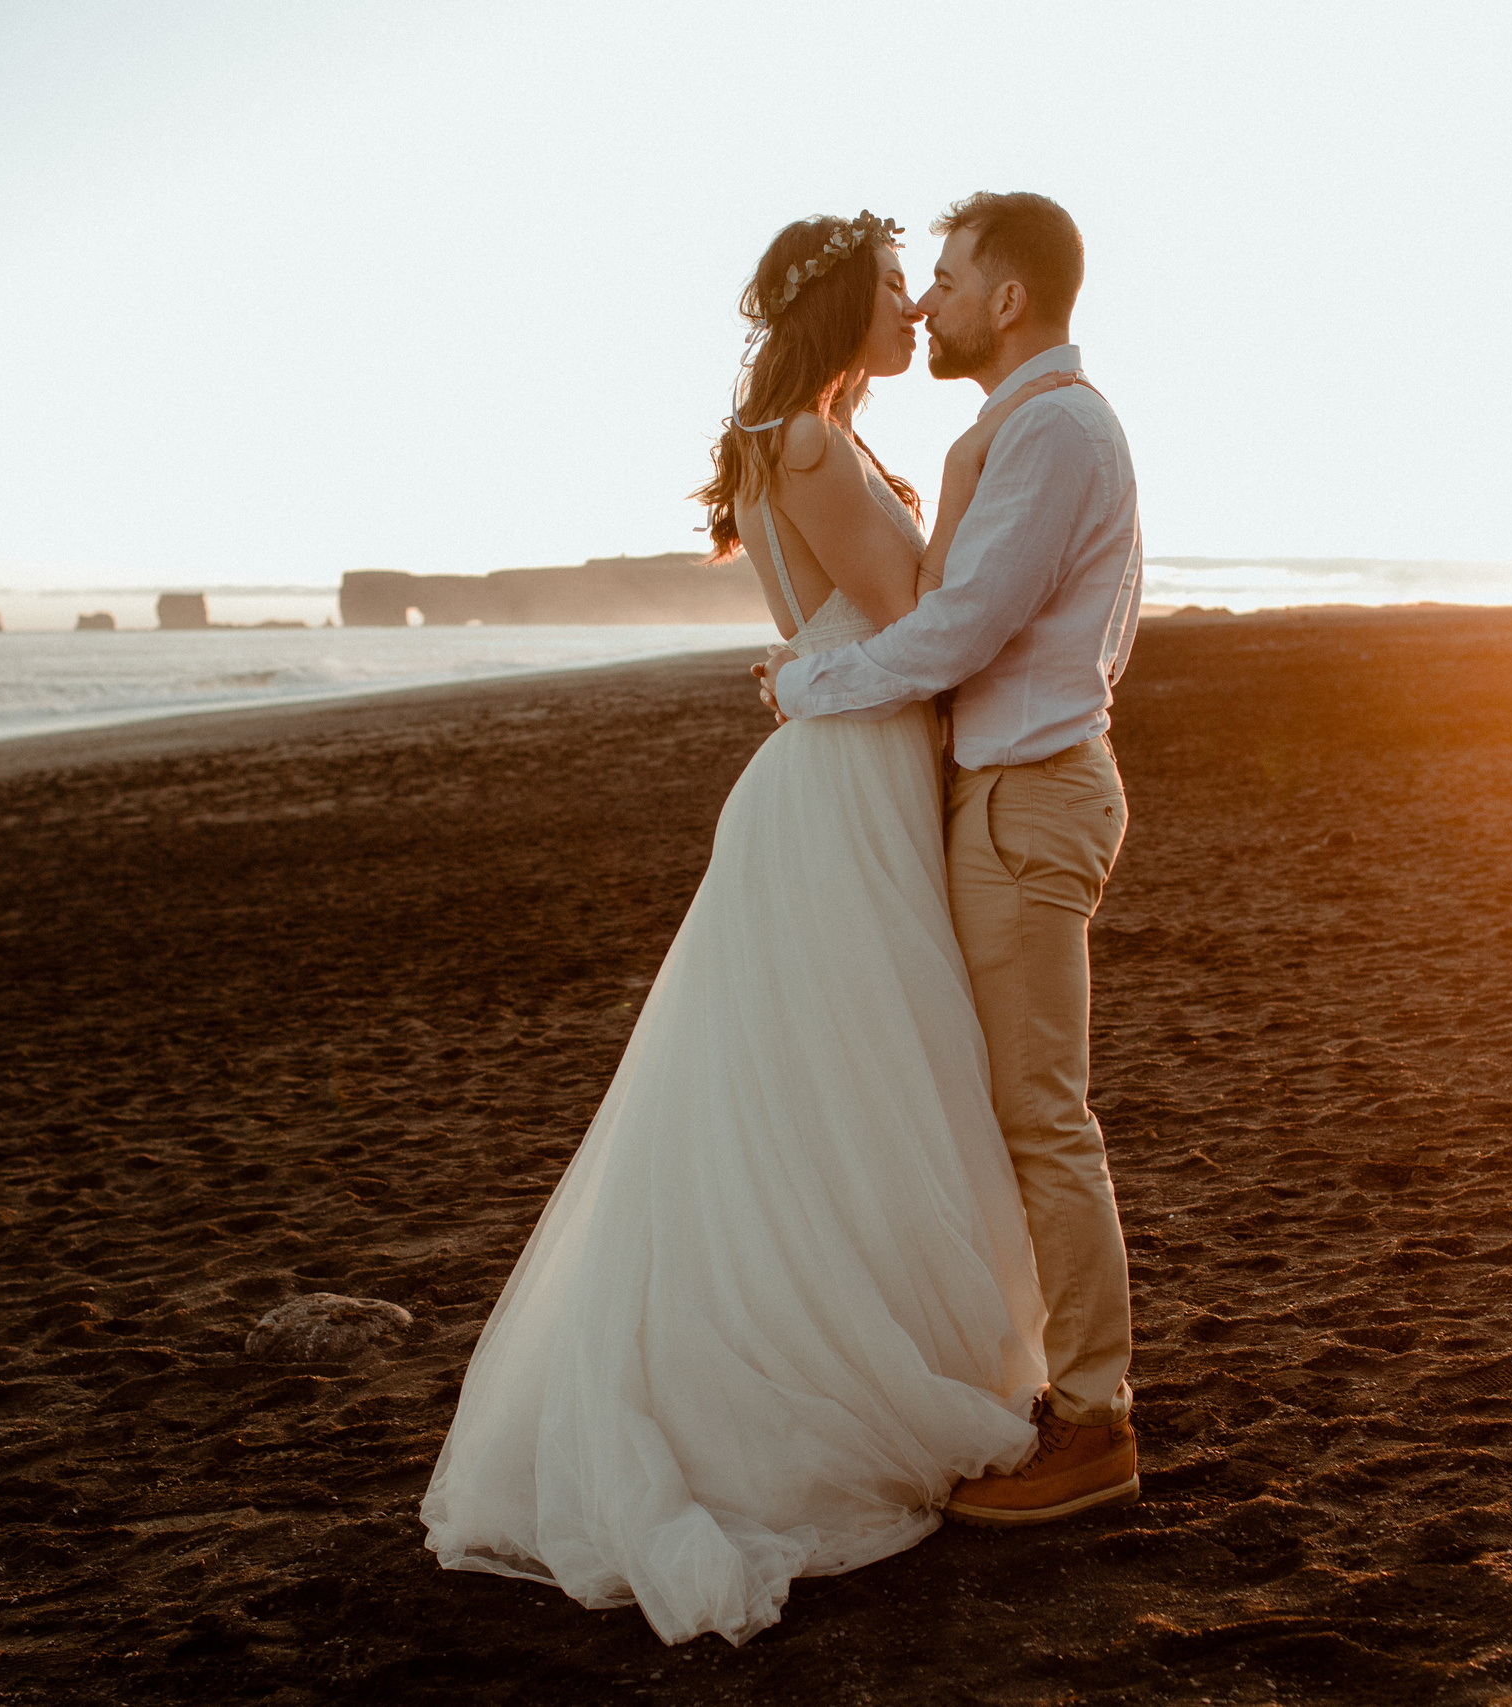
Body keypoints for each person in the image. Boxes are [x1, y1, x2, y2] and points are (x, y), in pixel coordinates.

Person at [417, 209, 1086, 1648]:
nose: (918, 308)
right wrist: (967, 485)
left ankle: (869, 1340)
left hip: (853, 764)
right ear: (847, 303)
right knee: (851, 1075)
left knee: (841, 1084)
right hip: (841, 784)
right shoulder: (809, 445)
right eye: (902, 289)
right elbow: (920, 606)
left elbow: (876, 616)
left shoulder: (805, 436)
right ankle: (816, 1388)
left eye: (930, 285)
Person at [759, 191, 1145, 1529]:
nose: (925, 301)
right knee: (1002, 1110)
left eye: (948, 276)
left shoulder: (1050, 431)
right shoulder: (1019, 432)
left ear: (1010, 301)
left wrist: (811, 690)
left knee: (1040, 1111)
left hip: (1031, 798)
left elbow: (963, 625)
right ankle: (1049, 1386)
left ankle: (1093, 1421)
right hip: (1006, 793)